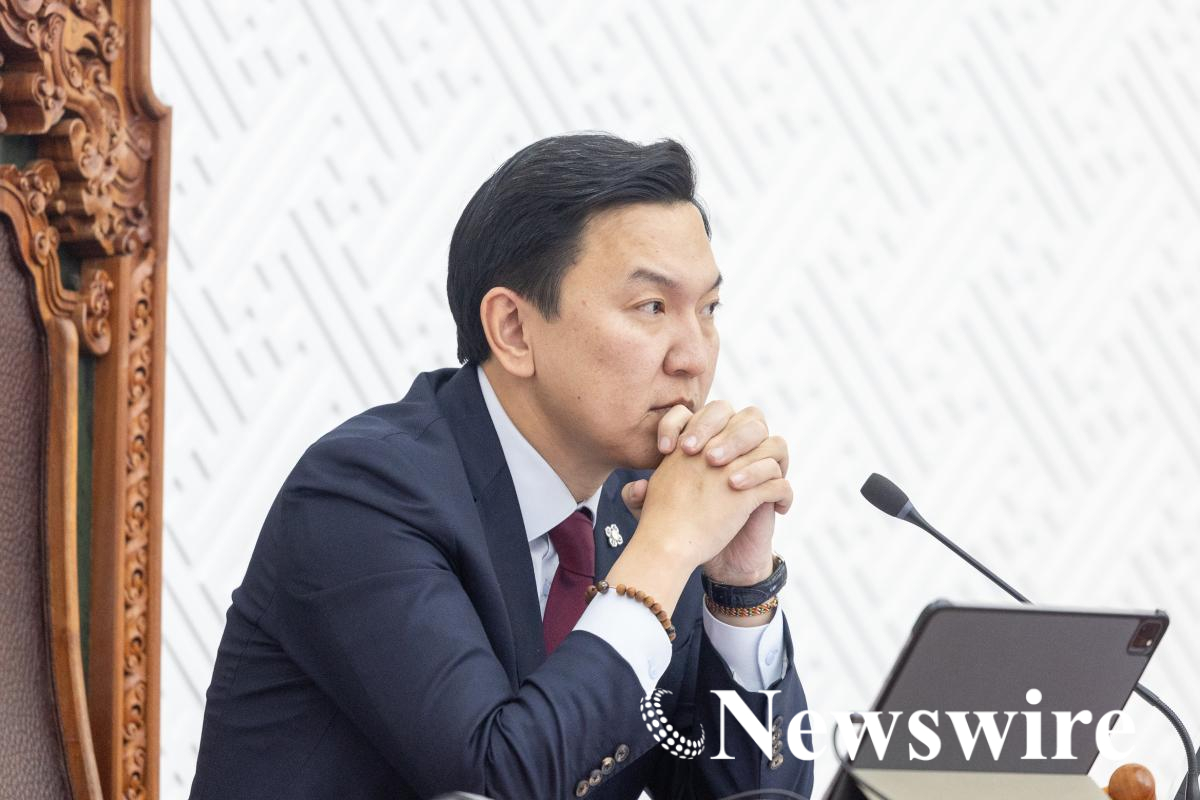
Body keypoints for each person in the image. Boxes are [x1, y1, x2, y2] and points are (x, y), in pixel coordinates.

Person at [189, 133, 815, 800]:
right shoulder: (360, 494)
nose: (694, 356)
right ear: (514, 330)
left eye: (708, 310)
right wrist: (666, 551)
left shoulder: (644, 514)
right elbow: (497, 782)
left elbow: (756, 796)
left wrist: (739, 590)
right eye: (652, 307)